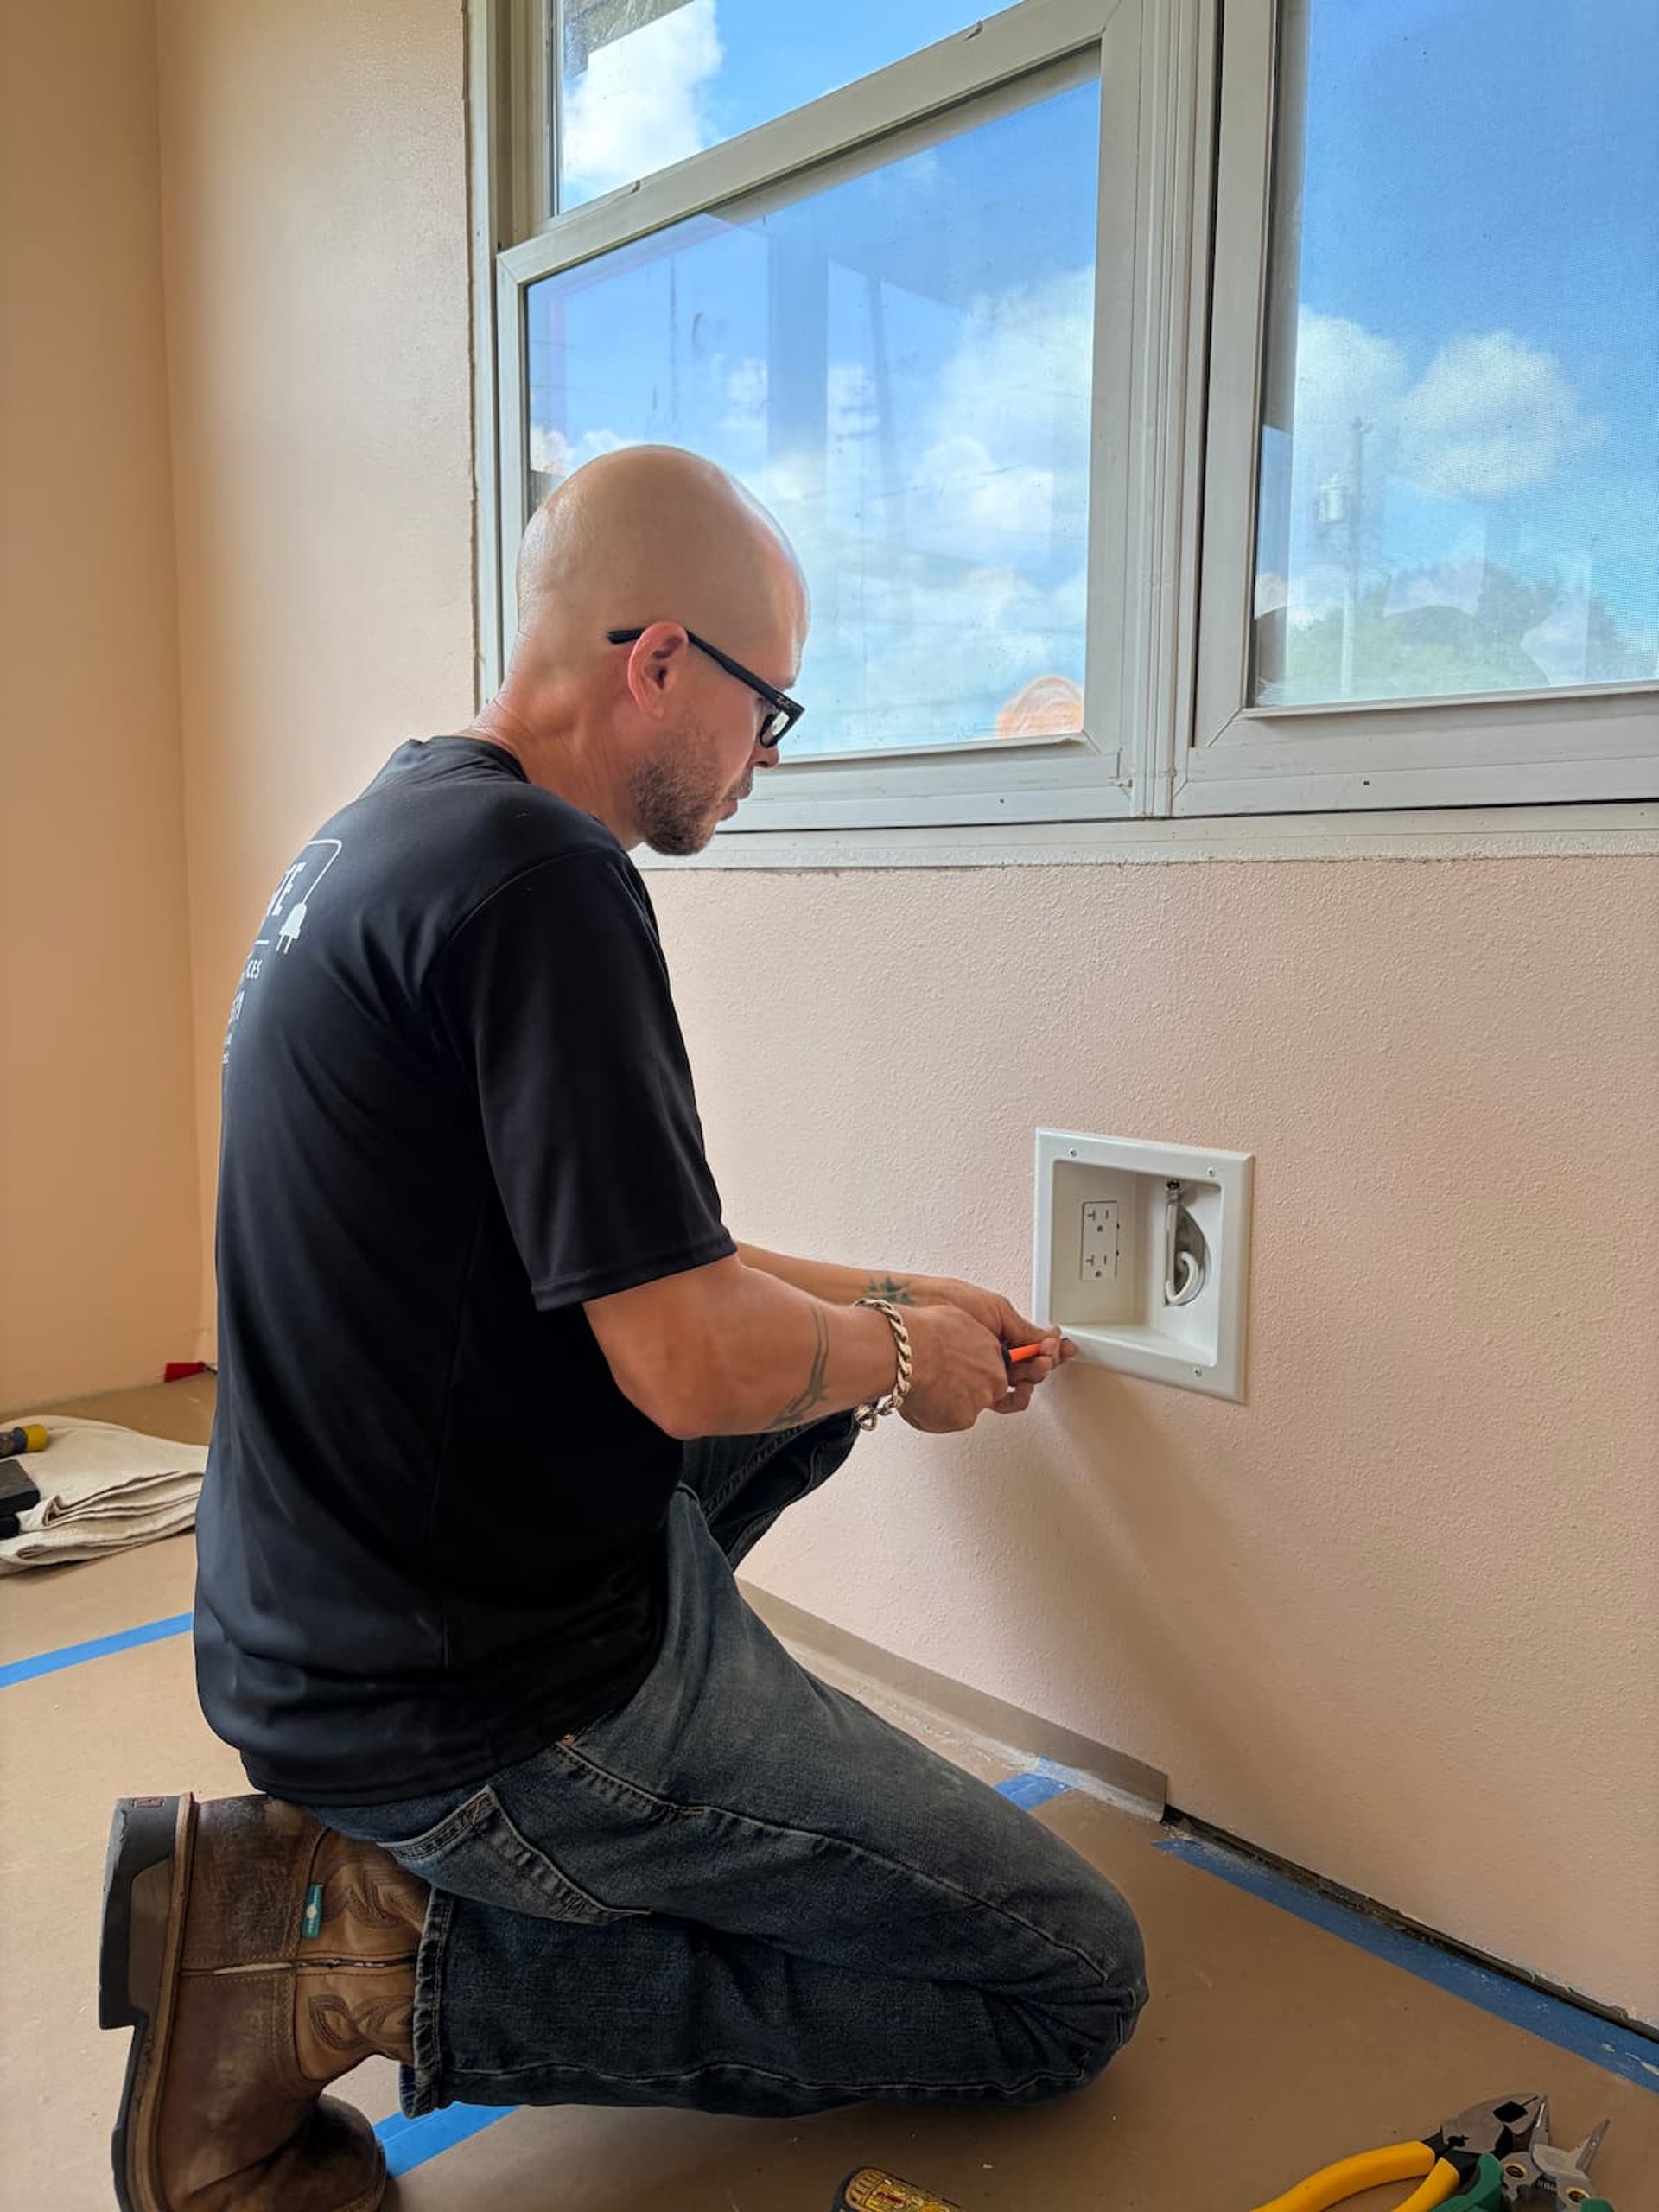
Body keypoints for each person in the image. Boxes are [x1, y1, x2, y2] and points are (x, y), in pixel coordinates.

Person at [99, 448, 1147, 2212]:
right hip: (471, 1688)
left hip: (324, 1610)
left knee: (807, 1391)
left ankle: (522, 1825)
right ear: (659, 660)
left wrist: (888, 1304)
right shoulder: (548, 884)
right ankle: (359, 1952)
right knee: (1070, 1977)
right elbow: (678, 1357)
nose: (766, 764)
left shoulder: (393, 827)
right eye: (770, 710)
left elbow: (654, 1261)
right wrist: (910, 1365)